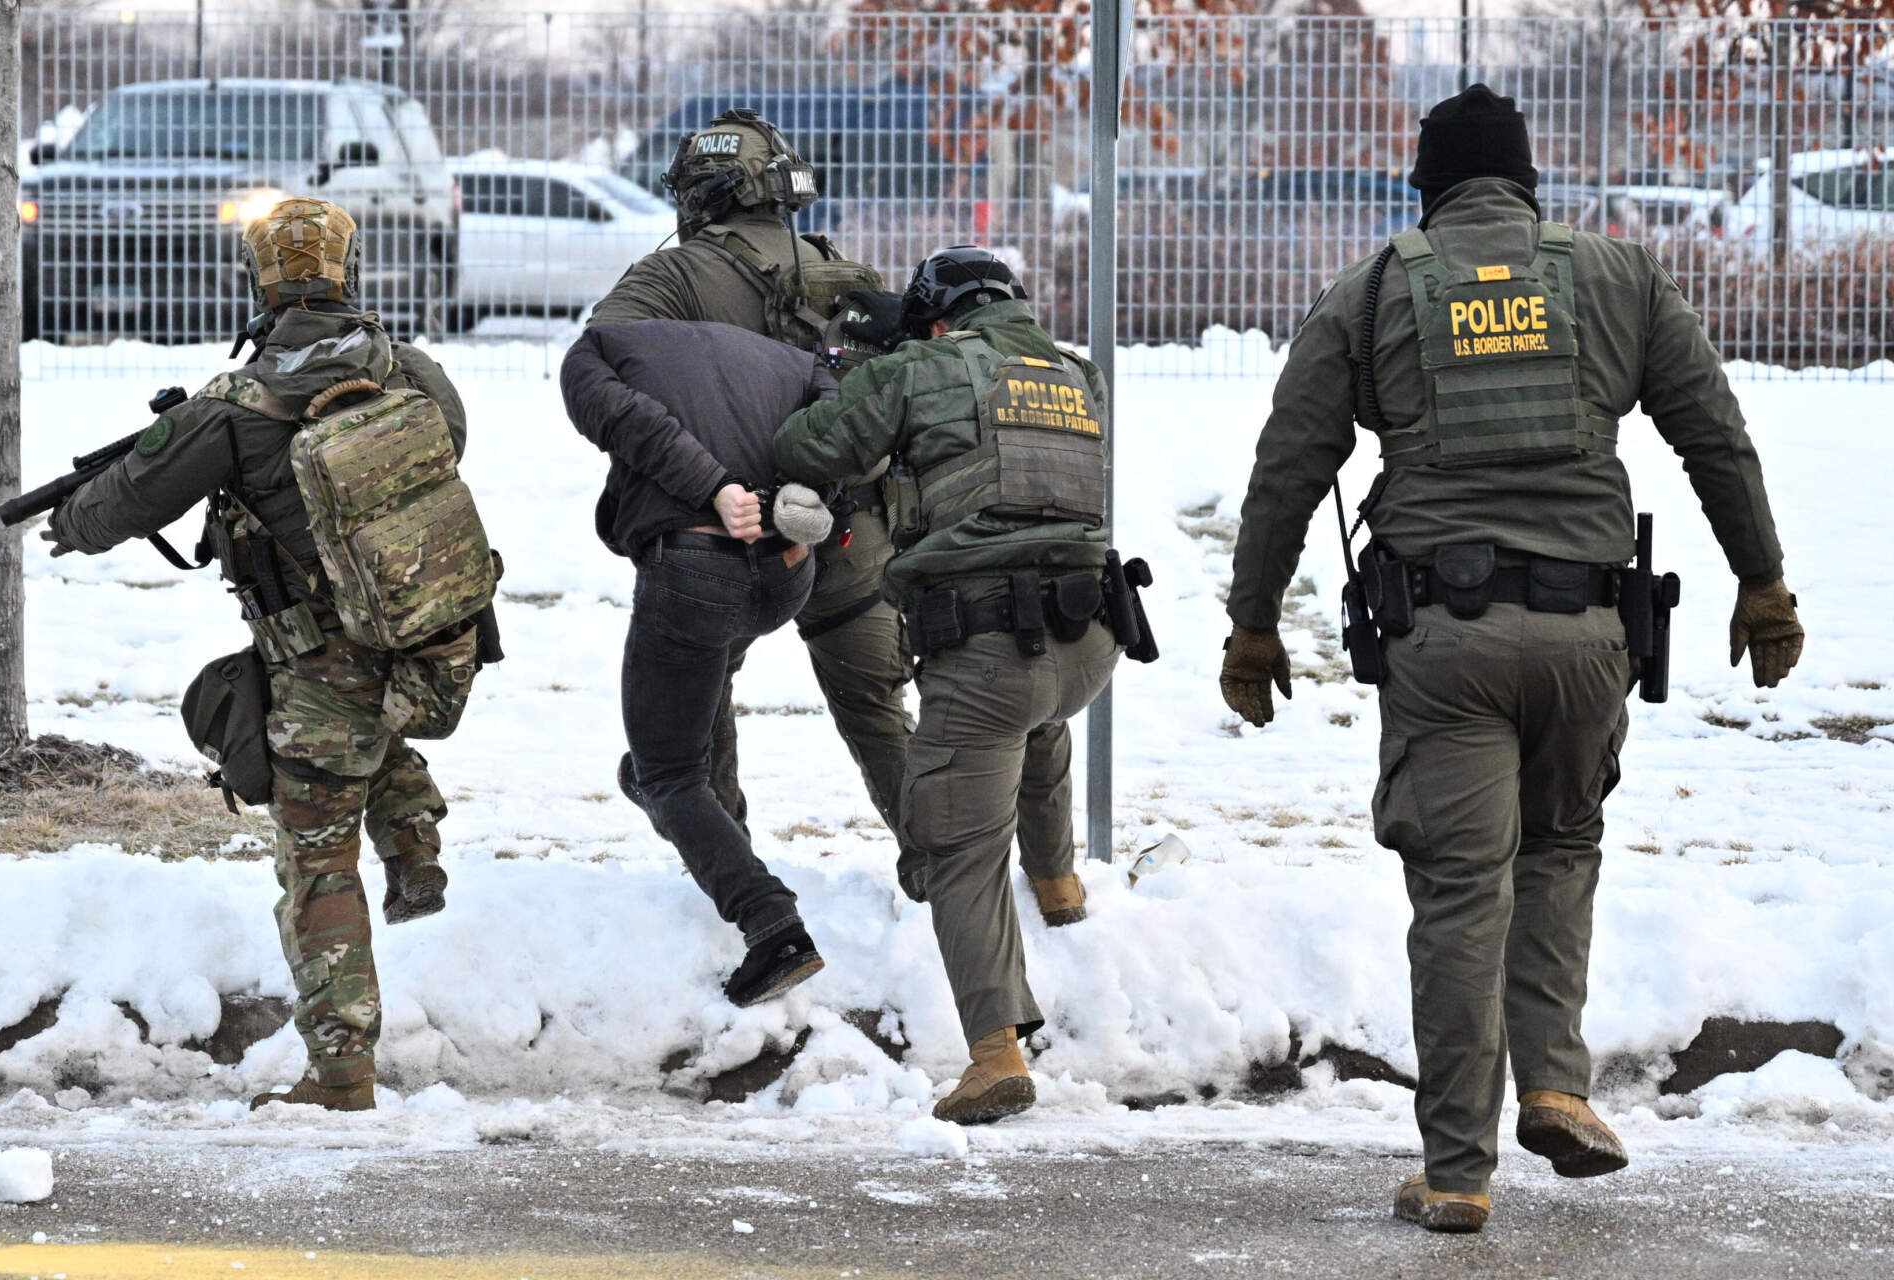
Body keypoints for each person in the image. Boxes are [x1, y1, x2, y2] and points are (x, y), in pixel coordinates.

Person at [1219, 86, 1804, 1232]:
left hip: (1447, 645)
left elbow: (1290, 463)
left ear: (1426, 187)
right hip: (1590, 637)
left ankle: (1456, 1170)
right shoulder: (1617, 277)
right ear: (1530, 182)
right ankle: (1555, 1083)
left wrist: (1251, 620)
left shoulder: (1379, 285)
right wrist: (1764, 581)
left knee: (1457, 894)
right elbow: (1713, 431)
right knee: (1561, 847)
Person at [46, 198, 496, 1112]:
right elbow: (448, 444)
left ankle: (340, 1074)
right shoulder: (409, 370)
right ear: (349, 271)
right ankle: (415, 851)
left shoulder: (235, 404)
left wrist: (70, 521)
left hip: (319, 662)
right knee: (369, 724)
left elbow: (126, 502)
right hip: (424, 636)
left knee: (316, 863)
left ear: (261, 281)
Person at [773, 247, 1122, 1124]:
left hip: (985, 648)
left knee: (958, 843)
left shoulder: (920, 368)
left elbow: (810, 444)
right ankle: (1060, 888)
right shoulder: (1077, 375)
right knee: (1039, 725)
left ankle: (995, 1054)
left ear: (935, 320)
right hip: (1090, 640)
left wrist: (875, 370)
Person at [586, 108, 914, 847]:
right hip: (851, 529)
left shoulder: (672, 273)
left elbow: (603, 356)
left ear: (697, 197)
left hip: (728, 532)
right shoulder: (847, 273)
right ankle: (939, 874)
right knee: (878, 714)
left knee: (695, 708)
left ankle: (727, 878)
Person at [561, 317, 842, 1006]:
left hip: (693, 570)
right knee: (674, 733)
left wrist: (716, 486)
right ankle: (696, 813)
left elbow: (630, 421)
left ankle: (771, 924)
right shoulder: (797, 360)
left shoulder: (594, 348)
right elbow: (839, 433)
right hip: (786, 572)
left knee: (665, 771)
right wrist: (787, 503)